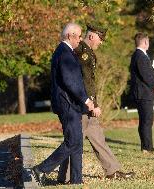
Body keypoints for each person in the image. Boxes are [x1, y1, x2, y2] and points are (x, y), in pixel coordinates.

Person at [57, 23, 135, 183]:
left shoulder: (87, 52)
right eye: (100, 39)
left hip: (88, 106)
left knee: (97, 137)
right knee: (74, 141)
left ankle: (112, 170)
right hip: (80, 106)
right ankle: (65, 178)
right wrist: (90, 103)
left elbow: (90, 82)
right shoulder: (80, 52)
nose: (101, 42)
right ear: (92, 36)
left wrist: (95, 103)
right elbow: (81, 81)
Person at [31, 23, 94, 185]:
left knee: (77, 142)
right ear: (70, 36)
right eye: (79, 36)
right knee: (72, 141)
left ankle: (76, 180)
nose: (80, 40)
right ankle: (41, 169)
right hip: (67, 104)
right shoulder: (64, 52)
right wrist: (86, 100)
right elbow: (70, 81)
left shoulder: (65, 51)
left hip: (70, 104)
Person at [130, 32, 154, 154]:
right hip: (143, 93)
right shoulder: (140, 56)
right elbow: (146, 75)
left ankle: (147, 146)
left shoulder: (140, 55)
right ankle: (147, 147)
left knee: (146, 120)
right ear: (145, 42)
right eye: (148, 42)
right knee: (147, 120)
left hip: (144, 93)